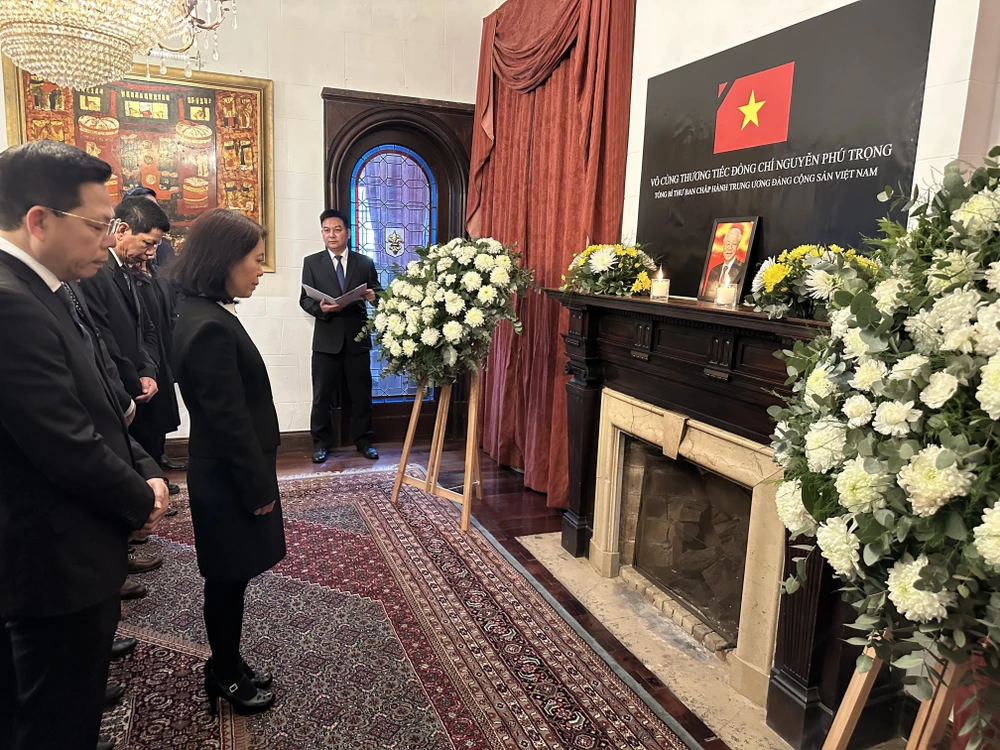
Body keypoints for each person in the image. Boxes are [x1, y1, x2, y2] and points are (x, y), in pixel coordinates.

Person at [0, 140, 169, 750]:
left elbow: (96, 399)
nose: (107, 239)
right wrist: (140, 497)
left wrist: (147, 465)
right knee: (55, 720)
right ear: (40, 219)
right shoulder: (10, 301)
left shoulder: (41, 289)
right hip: (51, 558)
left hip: (69, 546)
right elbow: (64, 443)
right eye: (97, 226)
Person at [169, 208, 283, 716]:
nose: (260, 269)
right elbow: (228, 421)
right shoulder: (209, 324)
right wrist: (258, 489)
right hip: (228, 475)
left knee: (231, 575)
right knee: (226, 578)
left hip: (225, 470)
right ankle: (224, 672)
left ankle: (228, 661)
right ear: (224, 260)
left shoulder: (203, 311)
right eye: (256, 260)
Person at [299, 209, 382, 463]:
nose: (331, 235)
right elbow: (304, 299)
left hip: (356, 339)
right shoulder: (311, 262)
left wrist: (373, 296)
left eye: (337, 230)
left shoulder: (364, 262)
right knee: (321, 396)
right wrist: (320, 309)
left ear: (347, 232)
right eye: (326, 230)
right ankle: (321, 444)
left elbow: (378, 292)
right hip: (326, 340)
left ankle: (364, 441)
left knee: (361, 395)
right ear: (322, 233)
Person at [702, 226, 746, 299]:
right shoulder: (714, 270)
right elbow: (708, 297)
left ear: (737, 247)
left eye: (734, 244)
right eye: (727, 244)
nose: (730, 248)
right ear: (723, 245)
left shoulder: (742, 268)